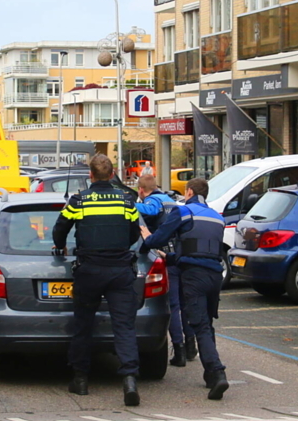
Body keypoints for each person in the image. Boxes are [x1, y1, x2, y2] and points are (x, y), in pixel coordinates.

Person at [53, 153, 142, 406]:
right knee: (124, 326)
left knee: (83, 324)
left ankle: (80, 379)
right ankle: (130, 380)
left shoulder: (79, 200)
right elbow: (134, 232)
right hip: (120, 270)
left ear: (90, 176)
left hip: (89, 270)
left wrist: (60, 247)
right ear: (113, 174)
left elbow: (60, 229)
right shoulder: (126, 200)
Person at [141, 177, 230, 400]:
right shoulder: (218, 218)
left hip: (195, 277)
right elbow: (201, 250)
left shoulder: (183, 213)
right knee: (207, 324)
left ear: (189, 192)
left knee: (199, 324)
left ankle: (217, 372)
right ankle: (211, 375)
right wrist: (170, 258)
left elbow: (157, 239)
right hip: (215, 276)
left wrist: (145, 236)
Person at [135, 172, 194, 367]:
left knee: (173, 306)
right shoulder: (171, 201)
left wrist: (129, 205)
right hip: (178, 255)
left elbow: (150, 212)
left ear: (141, 190)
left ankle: (179, 350)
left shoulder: (154, 201)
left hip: (164, 256)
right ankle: (191, 346)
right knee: (184, 305)